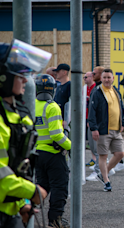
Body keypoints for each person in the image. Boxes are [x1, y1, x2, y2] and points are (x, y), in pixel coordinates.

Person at [0, 40, 48, 228]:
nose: (25, 80)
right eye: (19, 75)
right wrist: (31, 191)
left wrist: (22, 203)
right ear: (3, 78)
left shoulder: (13, 114)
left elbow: (13, 167)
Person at [34, 74, 72, 227]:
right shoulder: (52, 106)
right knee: (59, 186)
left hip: (36, 153)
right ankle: (55, 219)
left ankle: (26, 213)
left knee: (41, 186)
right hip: (53, 154)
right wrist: (71, 146)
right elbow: (56, 134)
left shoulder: (32, 104)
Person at [88, 69, 124, 192]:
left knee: (120, 154)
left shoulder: (116, 91)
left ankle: (103, 173)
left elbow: (121, 108)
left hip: (116, 130)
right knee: (103, 156)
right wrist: (94, 128)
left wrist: (123, 123)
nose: (106, 80)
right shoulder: (97, 92)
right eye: (104, 77)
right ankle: (106, 181)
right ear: (102, 79)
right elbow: (92, 110)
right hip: (103, 130)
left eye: (109, 77)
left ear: (113, 78)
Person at [84, 72, 101, 181]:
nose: (84, 79)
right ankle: (96, 163)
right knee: (91, 143)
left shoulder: (96, 89)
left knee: (96, 146)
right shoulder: (86, 88)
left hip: (92, 120)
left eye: (86, 77)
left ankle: (99, 170)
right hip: (87, 118)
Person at [53, 63, 71, 128]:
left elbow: (70, 104)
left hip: (64, 120)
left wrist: (66, 119)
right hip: (57, 118)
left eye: (58, 71)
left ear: (64, 72)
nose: (56, 73)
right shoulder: (59, 86)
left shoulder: (69, 85)